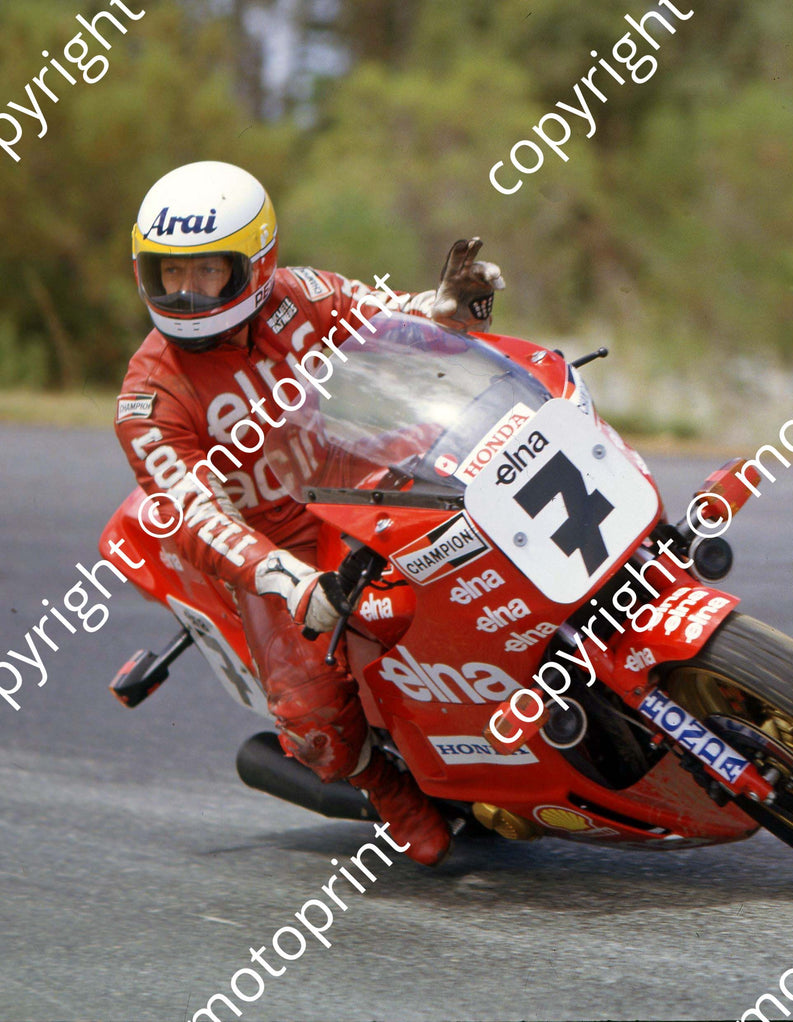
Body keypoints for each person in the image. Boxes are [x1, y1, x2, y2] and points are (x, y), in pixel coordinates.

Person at [114, 160, 505, 866]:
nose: (185, 292)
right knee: (310, 713)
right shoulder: (149, 397)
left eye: (206, 271)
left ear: (256, 264)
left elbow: (383, 315)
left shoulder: (298, 295)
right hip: (276, 547)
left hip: (365, 487)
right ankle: (389, 791)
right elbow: (194, 516)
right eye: (168, 273)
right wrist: (287, 581)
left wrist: (445, 308)